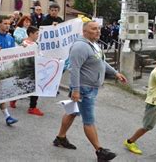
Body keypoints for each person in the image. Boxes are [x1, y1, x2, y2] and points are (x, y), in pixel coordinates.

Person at [53, 21, 127, 161]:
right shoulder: (80, 46)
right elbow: (75, 69)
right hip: (84, 89)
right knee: (89, 120)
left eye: (98, 28)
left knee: (72, 112)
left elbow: (101, 62)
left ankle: (60, 138)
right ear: (85, 31)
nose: (98, 31)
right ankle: (100, 151)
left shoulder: (93, 44)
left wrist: (115, 73)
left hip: (89, 88)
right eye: (94, 29)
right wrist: (76, 90)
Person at [9, 26, 44, 116]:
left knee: (26, 86)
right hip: (29, 69)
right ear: (31, 34)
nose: (38, 35)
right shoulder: (25, 44)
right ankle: (32, 107)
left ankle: (14, 99)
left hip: (32, 68)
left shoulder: (35, 43)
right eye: (36, 33)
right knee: (34, 87)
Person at [0, 16, 19, 126]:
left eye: (9, 24)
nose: (7, 25)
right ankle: (4, 116)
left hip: (4, 70)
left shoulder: (10, 38)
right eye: (5, 23)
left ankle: (7, 117)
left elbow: (13, 53)